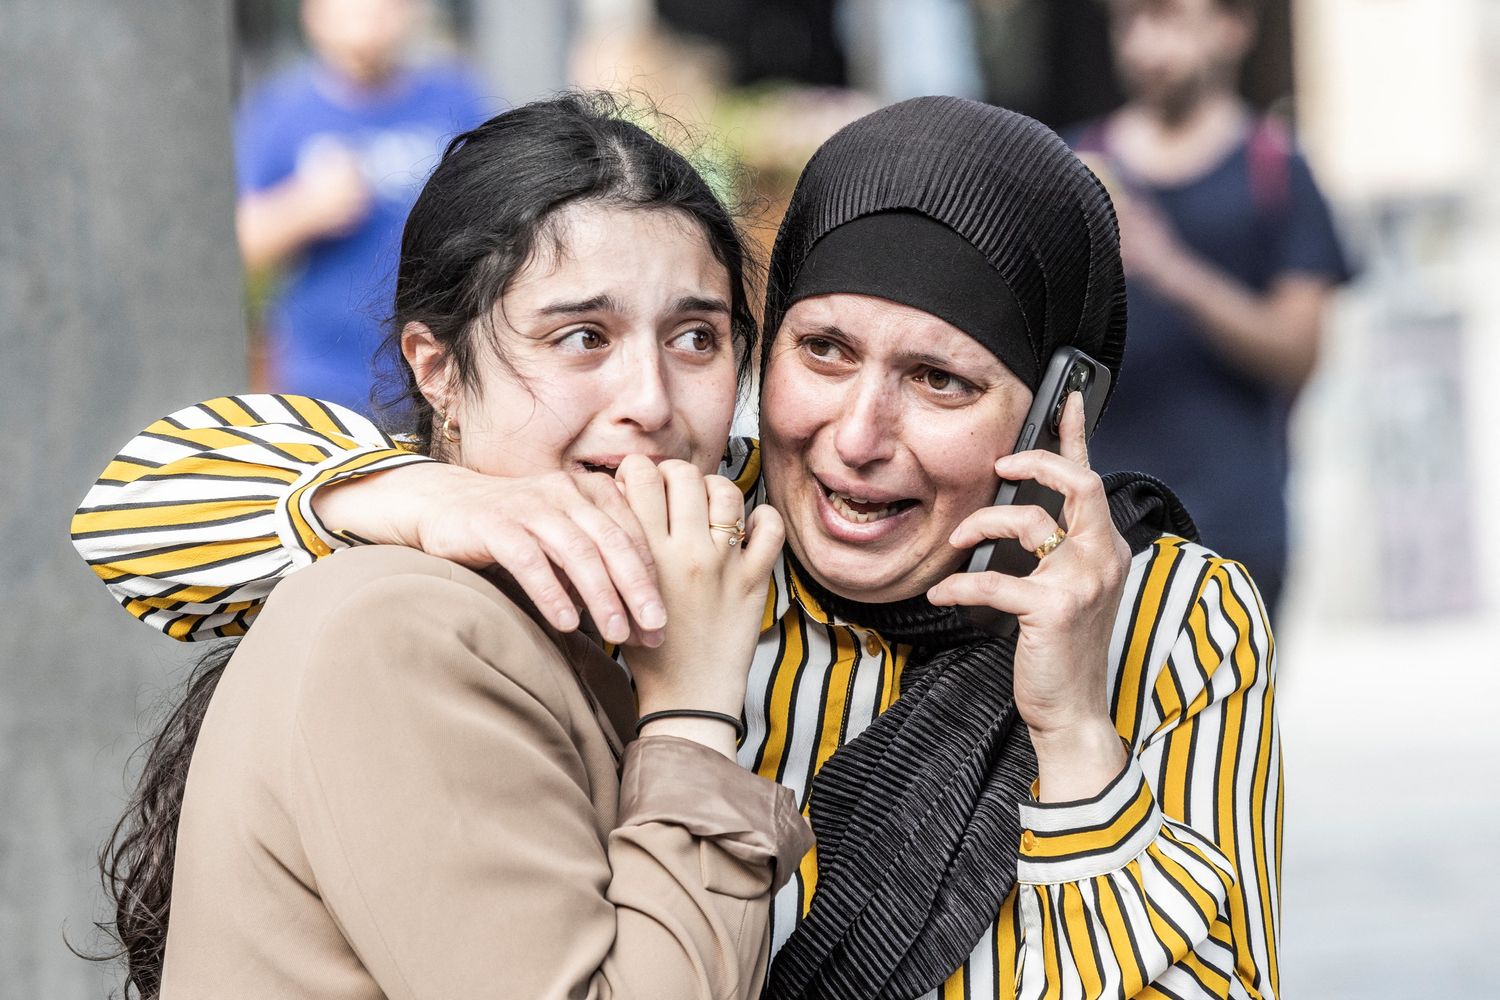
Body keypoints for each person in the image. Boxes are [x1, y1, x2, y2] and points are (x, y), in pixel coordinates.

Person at [78, 97, 1280, 998]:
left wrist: (1075, 741)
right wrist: (404, 495)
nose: (860, 436)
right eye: (822, 353)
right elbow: (128, 514)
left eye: (939, 380)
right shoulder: (685, 535)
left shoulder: (1165, 616)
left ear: (1055, 408)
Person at [84, 94, 813, 999]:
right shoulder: (406, 625)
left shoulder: (679, 546)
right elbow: (129, 504)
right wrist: (694, 712)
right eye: (582, 337)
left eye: (696, 338)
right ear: (436, 371)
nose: (653, 401)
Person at [1069, 0, 1353, 611]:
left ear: (1233, 28)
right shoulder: (1075, 164)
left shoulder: (1277, 171)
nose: (1145, 45)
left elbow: (1299, 353)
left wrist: (1171, 269)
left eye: (1169, 19)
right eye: (1130, 22)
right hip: (1092, 528)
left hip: (1235, 531)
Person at [236, 0, 488, 414]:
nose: (369, 16)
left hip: (441, 368)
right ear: (312, 14)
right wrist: (305, 207)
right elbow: (237, 247)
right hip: (322, 379)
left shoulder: (457, 98)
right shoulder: (279, 111)